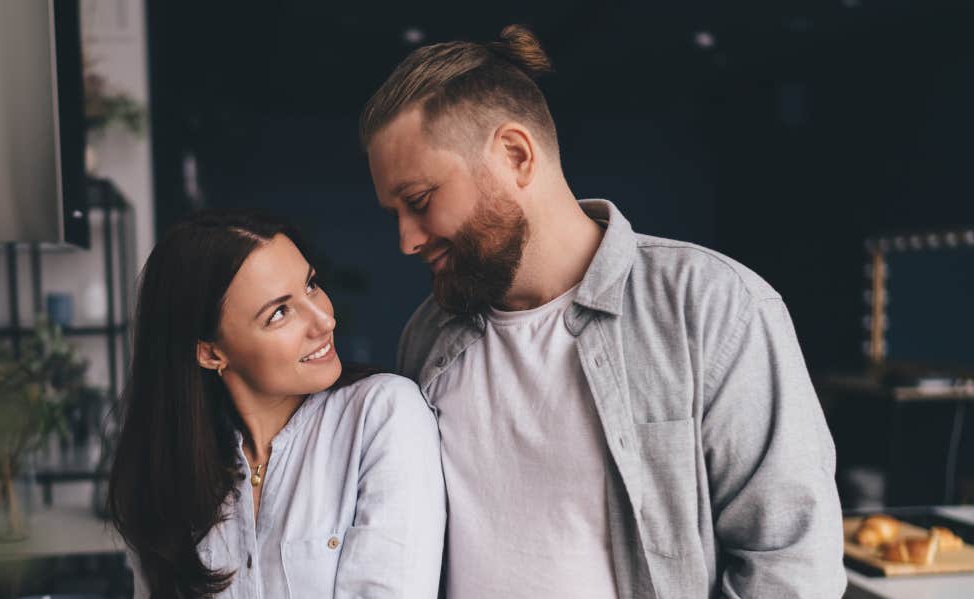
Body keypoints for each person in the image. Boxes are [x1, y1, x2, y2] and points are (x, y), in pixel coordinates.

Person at [359, 25, 846, 598]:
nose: (406, 241)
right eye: (394, 212)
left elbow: (791, 565)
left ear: (515, 155)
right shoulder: (428, 335)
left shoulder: (712, 306)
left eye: (419, 202)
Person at [108, 210, 445, 598]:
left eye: (312, 285)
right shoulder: (168, 474)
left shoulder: (384, 416)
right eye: (279, 313)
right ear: (210, 353)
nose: (323, 321)